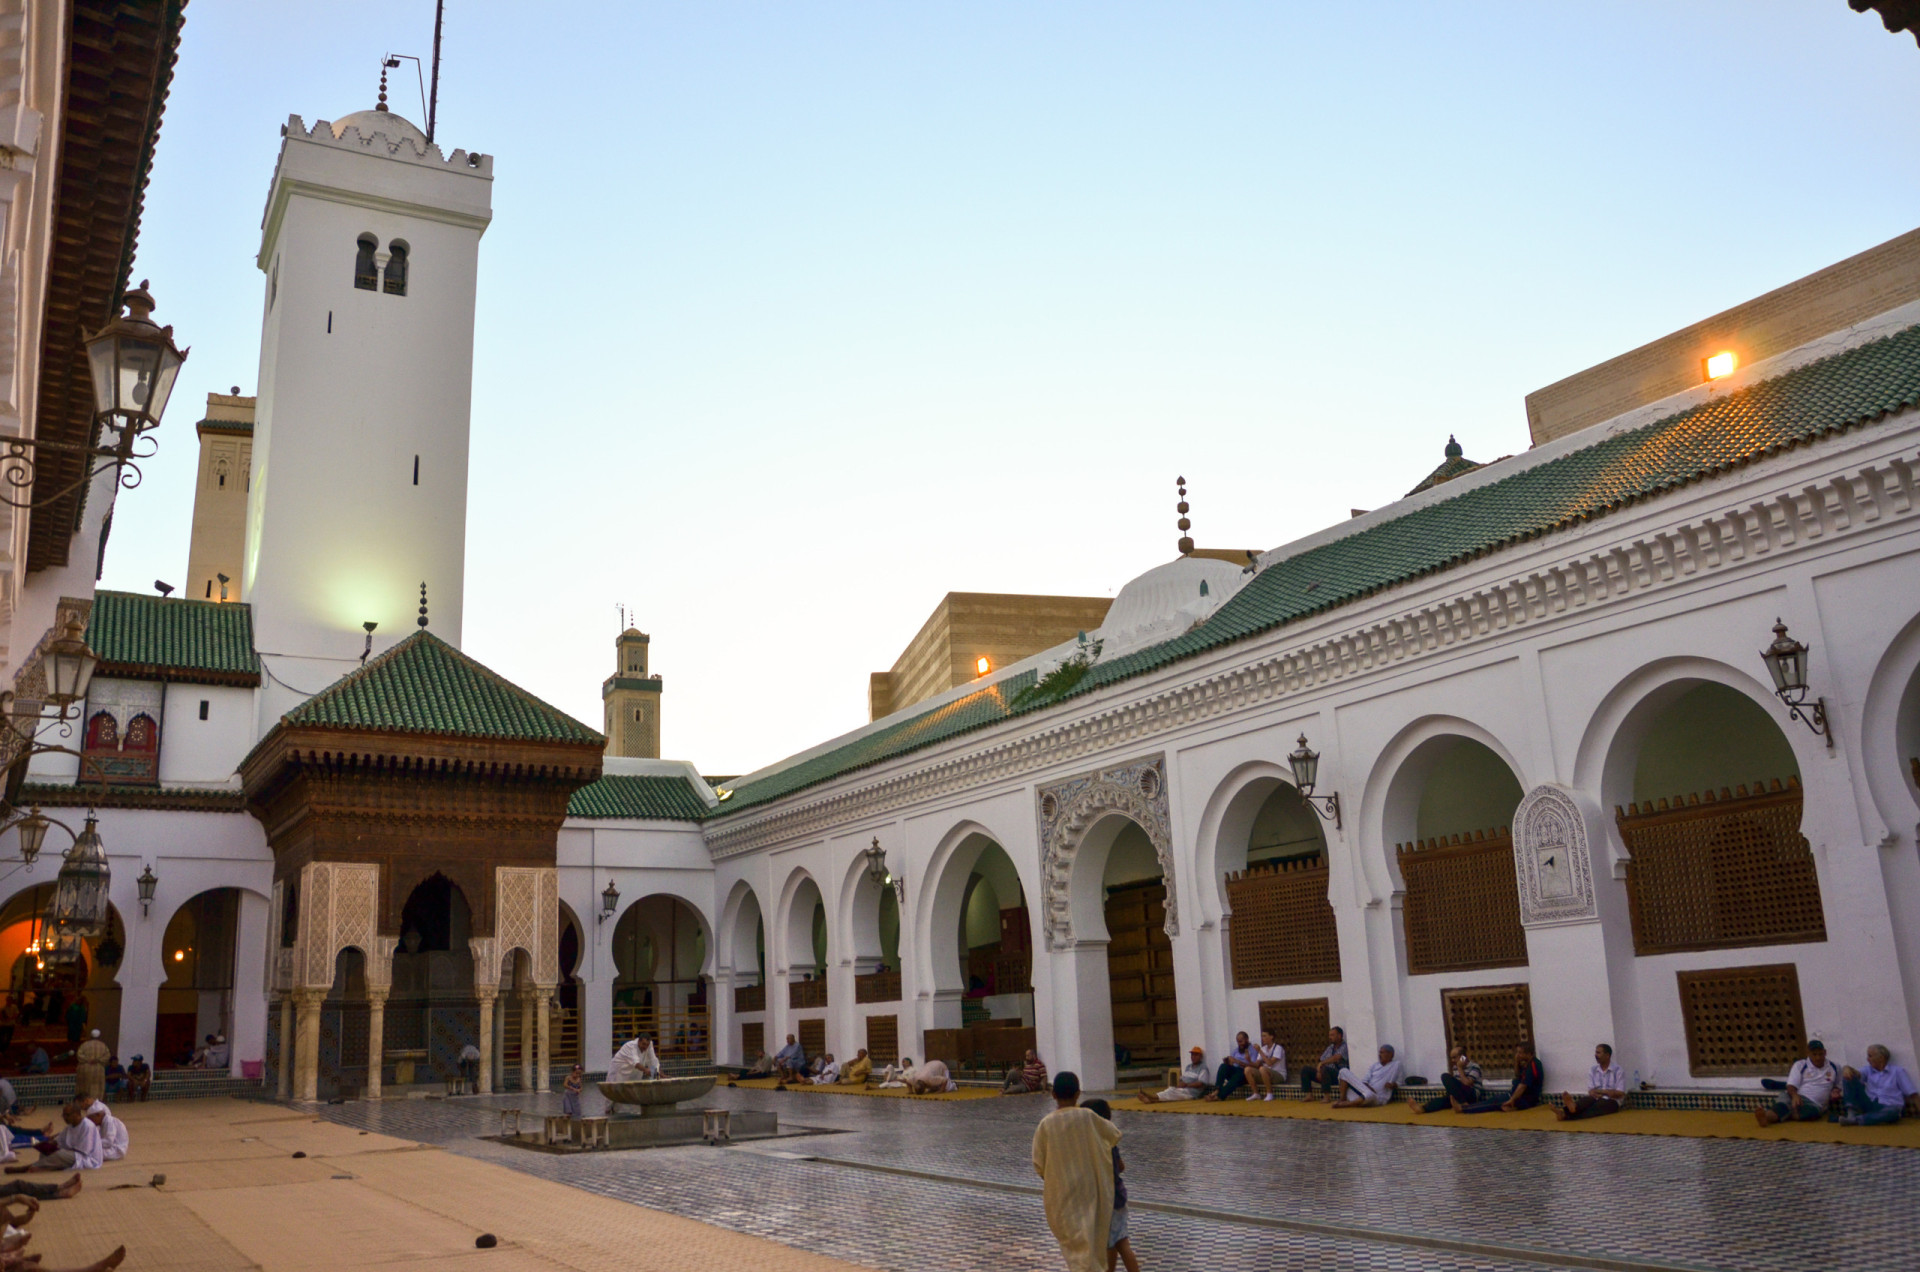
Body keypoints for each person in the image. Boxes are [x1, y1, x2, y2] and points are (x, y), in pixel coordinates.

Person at [1031, 1072, 1121, 1272]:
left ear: (1053, 1094)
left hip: (1062, 1196)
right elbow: (1113, 1135)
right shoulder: (1089, 1117)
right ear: (1078, 1093)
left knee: (1076, 1249)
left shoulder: (1046, 1124)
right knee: (1092, 1243)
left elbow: (1039, 1163)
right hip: (1092, 1192)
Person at [1080, 1099, 1139, 1272]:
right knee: (1112, 1243)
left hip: (1107, 1200)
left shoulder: (1092, 1144)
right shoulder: (1109, 1139)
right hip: (1118, 1197)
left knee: (1120, 1244)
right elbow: (1121, 1166)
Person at [1756, 1040, 1837, 1127]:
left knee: (1811, 1113)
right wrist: (1794, 1095)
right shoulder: (1800, 1065)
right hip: (1796, 1095)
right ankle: (1765, 1117)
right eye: (1814, 1054)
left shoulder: (1834, 1067)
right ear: (1808, 1053)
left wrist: (1836, 1090)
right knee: (1781, 1106)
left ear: (1825, 1053)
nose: (1818, 1058)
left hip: (1814, 1103)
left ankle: (1786, 1114)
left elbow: (1838, 1084)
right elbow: (1791, 1085)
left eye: (1820, 1054)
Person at [1839, 1044, 1920, 1126]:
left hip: (1889, 1106)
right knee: (1848, 1076)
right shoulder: (1868, 1069)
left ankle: (1856, 1120)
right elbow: (1857, 1074)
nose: (1867, 1059)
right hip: (1870, 1103)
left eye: (1870, 1056)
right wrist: (1846, 1068)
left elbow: (1912, 1093)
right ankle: (1851, 1114)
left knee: (1892, 1112)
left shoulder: (1897, 1071)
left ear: (1881, 1058)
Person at [5, 1104, 99, 1173]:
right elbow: (58, 1139)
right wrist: (47, 1145)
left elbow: (84, 1151)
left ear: (77, 1114)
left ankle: (27, 1167)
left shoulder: (87, 1126)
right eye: (64, 1115)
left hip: (84, 1157)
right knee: (46, 1153)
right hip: (70, 1154)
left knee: (59, 1154)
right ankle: (45, 1167)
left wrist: (61, 1150)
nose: (65, 1118)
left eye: (67, 1115)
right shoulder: (69, 1127)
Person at [1462, 1043, 1544, 1114]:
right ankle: (1467, 1107)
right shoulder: (1526, 1064)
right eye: (1517, 1052)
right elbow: (1517, 1075)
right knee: (1494, 1099)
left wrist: (1511, 1100)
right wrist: (1516, 1061)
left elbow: (1522, 1086)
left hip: (1525, 1100)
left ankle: (1464, 1109)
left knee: (1495, 1102)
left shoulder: (1533, 1065)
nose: (1517, 1055)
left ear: (1529, 1053)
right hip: (1517, 1097)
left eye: (1520, 1053)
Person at [1555, 1043, 1627, 1121]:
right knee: (1584, 1101)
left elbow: (1620, 1093)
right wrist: (1597, 1092)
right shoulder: (1593, 1070)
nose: (1595, 1055)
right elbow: (1591, 1090)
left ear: (1607, 1055)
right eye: (1595, 1052)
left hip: (1612, 1101)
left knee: (1595, 1108)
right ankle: (1572, 1107)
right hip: (1595, 1097)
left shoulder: (1618, 1070)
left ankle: (1565, 1114)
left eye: (1598, 1053)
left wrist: (1601, 1092)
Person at [1416, 1046, 1484, 1113]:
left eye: (1454, 1057)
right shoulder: (1455, 1067)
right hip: (1460, 1095)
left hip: (1472, 1095)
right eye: (1451, 1058)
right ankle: (1423, 1108)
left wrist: (1460, 1068)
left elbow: (1467, 1083)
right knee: (1443, 1100)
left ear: (1462, 1057)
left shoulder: (1475, 1067)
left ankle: (1463, 1103)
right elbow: (1456, 1085)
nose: (1452, 1060)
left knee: (1445, 1076)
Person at [1332, 1044, 1402, 1109]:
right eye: (1379, 1052)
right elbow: (1364, 1081)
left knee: (1369, 1095)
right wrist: (1369, 1088)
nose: (1379, 1055)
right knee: (1343, 1071)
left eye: (1382, 1052)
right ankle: (1343, 1099)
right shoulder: (1374, 1066)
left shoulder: (1396, 1065)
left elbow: (1399, 1083)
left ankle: (1347, 1104)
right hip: (1365, 1092)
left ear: (1391, 1054)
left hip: (1377, 1097)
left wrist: (1392, 1085)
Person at [1135, 1046, 1210, 1103]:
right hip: (1183, 1088)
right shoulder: (1188, 1067)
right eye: (1192, 1055)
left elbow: (1201, 1083)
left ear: (1200, 1057)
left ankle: (1152, 1097)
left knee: (1172, 1093)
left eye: (1196, 1055)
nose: (1193, 1057)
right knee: (1171, 1090)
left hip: (1192, 1092)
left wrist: (1187, 1085)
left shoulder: (1203, 1068)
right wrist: (1180, 1084)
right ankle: (1152, 1098)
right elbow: (1182, 1079)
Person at [1206, 1032, 1258, 1101]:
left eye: (1241, 1041)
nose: (1239, 1044)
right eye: (1238, 1042)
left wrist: (1238, 1062)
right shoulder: (1236, 1051)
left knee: (1238, 1075)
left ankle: (1220, 1096)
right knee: (1223, 1066)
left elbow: (1254, 1066)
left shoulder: (1253, 1050)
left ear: (1247, 1040)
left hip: (1245, 1073)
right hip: (1236, 1070)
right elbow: (1232, 1064)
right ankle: (1217, 1090)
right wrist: (1228, 1062)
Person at [1301, 1027, 1347, 1099]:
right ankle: (1308, 1095)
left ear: (1339, 1035)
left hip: (1337, 1075)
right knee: (1305, 1069)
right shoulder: (1330, 1047)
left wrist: (1322, 1064)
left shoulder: (1345, 1046)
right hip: (1324, 1074)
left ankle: (1326, 1096)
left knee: (1325, 1069)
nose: (1330, 1037)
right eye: (1329, 1035)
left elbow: (1336, 1057)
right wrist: (1319, 1070)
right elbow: (1321, 1060)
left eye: (1332, 1035)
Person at [1245, 1030, 1283, 1101]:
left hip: (1279, 1075)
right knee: (1247, 1069)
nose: (1262, 1038)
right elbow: (1256, 1065)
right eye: (1262, 1036)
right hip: (1265, 1074)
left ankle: (1269, 1093)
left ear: (1271, 1037)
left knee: (1262, 1069)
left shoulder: (1278, 1048)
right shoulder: (1263, 1048)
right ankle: (1256, 1093)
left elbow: (1270, 1063)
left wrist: (1259, 1051)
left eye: (1264, 1036)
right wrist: (1249, 1060)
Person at [73, 1033, 107, 1105]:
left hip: (85, 1068)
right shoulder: (103, 1046)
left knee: (84, 1086)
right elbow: (107, 1056)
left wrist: (88, 1059)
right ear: (99, 1036)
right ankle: (95, 1104)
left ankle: (84, 1103)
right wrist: (98, 1060)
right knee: (98, 1087)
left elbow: (79, 1055)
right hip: (98, 1069)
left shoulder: (84, 1045)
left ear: (90, 1036)